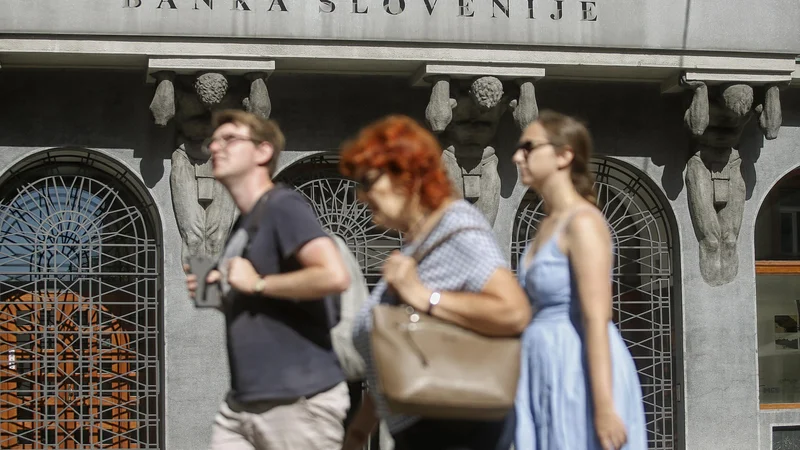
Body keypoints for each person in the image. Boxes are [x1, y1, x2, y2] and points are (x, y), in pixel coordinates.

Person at [338, 115, 532, 450]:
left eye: (368, 181)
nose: (360, 196)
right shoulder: (419, 244)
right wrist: (360, 429)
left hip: (456, 429)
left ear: (408, 176)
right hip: (421, 428)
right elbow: (399, 353)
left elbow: (514, 311)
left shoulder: (455, 225)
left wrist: (422, 295)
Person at [184, 109, 352, 450]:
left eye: (230, 139)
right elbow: (262, 305)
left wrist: (258, 284)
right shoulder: (246, 225)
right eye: (213, 141)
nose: (216, 147)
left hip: (295, 400)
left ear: (263, 152)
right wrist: (221, 295)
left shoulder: (283, 205)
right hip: (243, 403)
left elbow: (334, 275)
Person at [510, 110, 647, 450]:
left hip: (576, 368)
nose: (517, 156)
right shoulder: (545, 224)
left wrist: (604, 407)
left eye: (528, 147)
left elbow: (596, 318)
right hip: (542, 366)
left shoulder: (584, 222)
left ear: (563, 155)